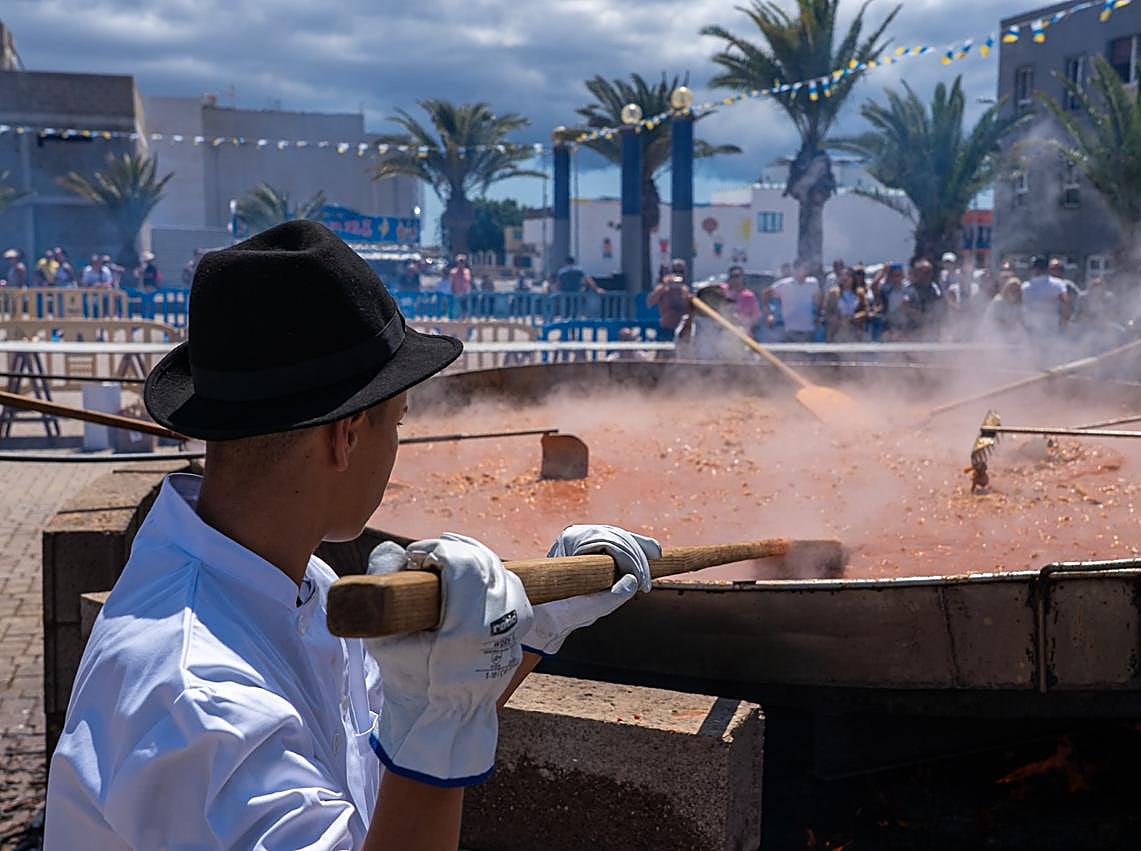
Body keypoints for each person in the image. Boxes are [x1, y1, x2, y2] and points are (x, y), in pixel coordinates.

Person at [44, 220, 659, 850]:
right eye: (397, 424)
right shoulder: (199, 697)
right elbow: (422, 740)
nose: (396, 449)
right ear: (345, 437)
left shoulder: (292, 577)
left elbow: (391, 737)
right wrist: (446, 718)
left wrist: (536, 625)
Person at [762, 265, 820, 343]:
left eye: (805, 269)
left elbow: (819, 297)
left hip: (807, 329)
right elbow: (766, 293)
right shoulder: (785, 284)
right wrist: (768, 313)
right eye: (800, 269)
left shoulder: (812, 283)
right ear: (795, 270)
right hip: (789, 329)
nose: (803, 272)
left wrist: (817, 314)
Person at [1021, 255, 1069, 337]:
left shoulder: (1024, 287)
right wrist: (1064, 324)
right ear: (1047, 269)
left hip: (1031, 328)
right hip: (1052, 328)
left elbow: (1019, 306)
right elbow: (1065, 304)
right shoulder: (1058, 284)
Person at [899, 258, 946, 340]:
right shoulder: (909, 289)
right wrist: (920, 315)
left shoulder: (934, 288)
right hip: (912, 330)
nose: (928, 275)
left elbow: (940, 307)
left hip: (931, 330)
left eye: (929, 272)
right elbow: (903, 307)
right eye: (925, 273)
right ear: (917, 273)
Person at [646, 265, 690, 342]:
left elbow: (689, 307)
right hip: (666, 328)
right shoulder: (663, 289)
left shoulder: (684, 290)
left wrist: (683, 294)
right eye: (675, 272)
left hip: (682, 330)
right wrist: (664, 287)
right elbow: (649, 303)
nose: (677, 274)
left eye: (680, 272)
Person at [720, 265, 761, 333]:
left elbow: (755, 316)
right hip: (724, 330)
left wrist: (745, 325)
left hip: (742, 332)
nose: (734, 279)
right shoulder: (722, 290)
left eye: (737, 276)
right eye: (731, 276)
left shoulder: (749, 296)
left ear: (742, 277)